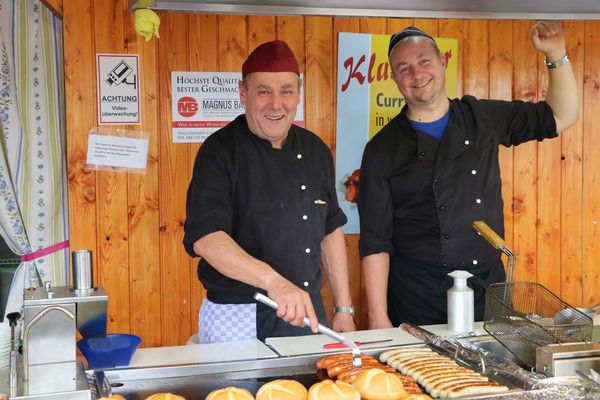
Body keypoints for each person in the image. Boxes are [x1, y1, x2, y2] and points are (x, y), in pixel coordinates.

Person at [358, 22, 578, 328]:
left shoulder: (481, 117)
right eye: (404, 68)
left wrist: (556, 53)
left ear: (443, 62)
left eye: (424, 61)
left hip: (488, 294)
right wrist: (377, 316)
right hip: (418, 300)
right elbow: (375, 242)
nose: (417, 74)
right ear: (394, 78)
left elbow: (561, 115)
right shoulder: (381, 149)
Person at [183, 40, 356, 342]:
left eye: (286, 91)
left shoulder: (315, 150)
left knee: (308, 390)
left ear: (298, 95)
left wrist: (344, 307)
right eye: (264, 91)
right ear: (243, 93)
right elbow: (206, 239)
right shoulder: (219, 151)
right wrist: (273, 282)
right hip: (237, 313)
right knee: (237, 392)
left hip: (305, 309)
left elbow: (330, 228)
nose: (276, 103)